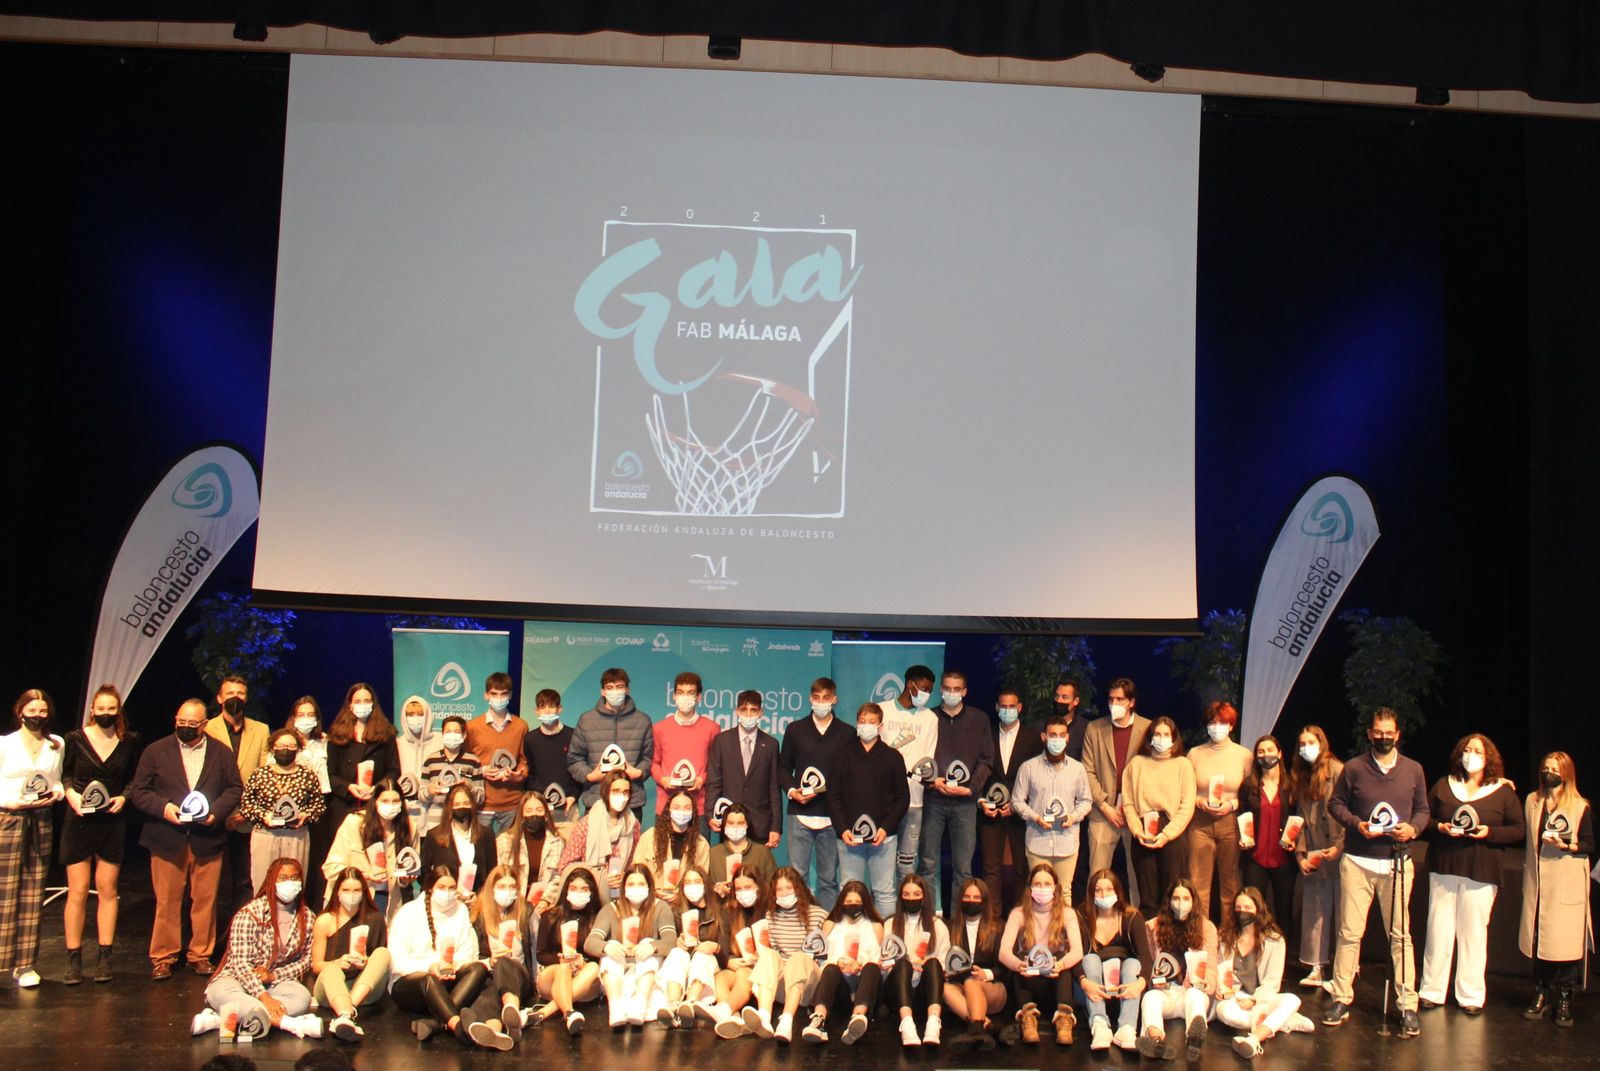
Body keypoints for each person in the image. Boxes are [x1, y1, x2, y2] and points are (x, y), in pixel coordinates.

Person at [1323, 707, 1429, 1036]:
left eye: (1389, 732)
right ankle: (1341, 997)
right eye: (1378, 732)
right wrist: (1357, 825)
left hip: (1397, 863)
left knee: (1400, 936)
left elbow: (1423, 810)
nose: (1383, 737)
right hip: (1357, 861)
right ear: (1369, 733)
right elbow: (1335, 804)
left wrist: (1412, 829)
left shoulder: (1414, 769)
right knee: (1349, 933)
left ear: (1398, 734)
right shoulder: (1354, 768)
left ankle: (1407, 1004)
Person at [128, 698, 245, 979]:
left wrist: (215, 813)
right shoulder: (156, 751)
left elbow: (234, 788)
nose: (187, 728)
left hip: (207, 838)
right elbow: (139, 791)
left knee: (205, 900)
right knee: (167, 901)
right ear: (175, 720)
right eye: (182, 723)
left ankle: (200, 955)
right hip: (167, 838)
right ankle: (164, 957)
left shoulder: (221, 753)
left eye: (193, 724)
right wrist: (164, 807)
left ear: (204, 724)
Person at [1419, 732, 1523, 1014]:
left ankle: (1470, 995)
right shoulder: (1444, 785)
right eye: (1467, 749)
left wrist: (1489, 832)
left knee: (1473, 934)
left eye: (1477, 751)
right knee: (1438, 930)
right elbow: (1422, 818)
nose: (1471, 755)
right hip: (1445, 867)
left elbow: (1518, 830)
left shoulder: (1502, 792)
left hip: (1481, 871)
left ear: (1488, 757)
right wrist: (1440, 827)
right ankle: (1432, 990)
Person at [191, 856, 323, 1041]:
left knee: (301, 998)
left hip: (277, 983)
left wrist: (274, 976)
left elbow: (306, 959)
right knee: (221, 993)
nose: (289, 883)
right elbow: (240, 963)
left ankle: (222, 1018)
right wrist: (263, 998)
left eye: (294, 878)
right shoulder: (250, 913)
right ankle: (289, 1024)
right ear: (272, 881)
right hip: (237, 980)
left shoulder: (307, 917)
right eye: (283, 878)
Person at [61, 684, 139, 984]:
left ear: (118, 710)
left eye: (112, 708)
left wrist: (124, 797)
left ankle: (105, 958)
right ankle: (73, 958)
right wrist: (72, 796)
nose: (106, 713)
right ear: (92, 709)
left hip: (111, 821)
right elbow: (65, 774)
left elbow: (134, 777)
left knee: (107, 890)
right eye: (101, 708)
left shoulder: (129, 740)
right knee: (78, 891)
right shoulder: (75, 739)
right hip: (79, 820)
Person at [1519, 750, 1593, 1029]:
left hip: (1566, 883)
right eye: (1545, 767)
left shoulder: (1579, 806)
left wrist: (1568, 846)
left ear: (1566, 773)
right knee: (1540, 940)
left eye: (1555, 768)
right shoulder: (1532, 802)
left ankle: (1563, 997)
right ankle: (1541, 992)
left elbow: (1588, 844)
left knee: (1565, 945)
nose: (1549, 772)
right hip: (1539, 884)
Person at [0, 689, 65, 987]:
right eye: (32, 710)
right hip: (9, 818)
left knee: (32, 889)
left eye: (43, 711)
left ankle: (25, 964)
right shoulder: (6, 744)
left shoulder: (56, 744)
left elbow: (58, 780)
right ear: (20, 711)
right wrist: (9, 803)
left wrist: (57, 793)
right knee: (5, 892)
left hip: (40, 820)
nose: (38, 716)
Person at [918, 670, 994, 911]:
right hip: (933, 799)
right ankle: (929, 921)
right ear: (941, 690)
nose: (951, 694)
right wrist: (931, 781)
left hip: (964, 803)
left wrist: (971, 789)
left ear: (964, 692)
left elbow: (986, 759)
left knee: (963, 868)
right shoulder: (928, 717)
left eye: (956, 689)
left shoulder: (979, 719)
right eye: (947, 689)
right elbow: (919, 758)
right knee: (928, 864)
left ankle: (960, 924)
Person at [387, 867, 489, 1042]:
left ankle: (438, 1023)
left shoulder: (461, 910)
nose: (447, 893)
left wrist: (454, 965)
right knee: (429, 979)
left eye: (451, 888)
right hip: (411, 984)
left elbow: (467, 951)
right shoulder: (408, 913)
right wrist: (430, 966)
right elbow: (397, 963)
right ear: (430, 888)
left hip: (447, 982)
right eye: (441, 887)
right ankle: (458, 1027)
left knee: (478, 968)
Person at [830, 702, 911, 918]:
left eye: (872, 722)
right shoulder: (841, 755)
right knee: (849, 890)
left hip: (883, 838)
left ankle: (886, 943)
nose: (866, 726)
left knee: (884, 892)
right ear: (857, 724)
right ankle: (848, 940)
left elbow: (902, 799)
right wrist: (842, 829)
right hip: (849, 838)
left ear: (880, 726)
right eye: (863, 722)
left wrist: (886, 828)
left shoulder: (893, 757)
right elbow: (833, 797)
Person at [1215, 887, 1313, 1059]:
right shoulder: (1225, 937)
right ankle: (1281, 1022)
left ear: (1258, 910)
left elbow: (1272, 983)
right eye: (1238, 908)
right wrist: (1225, 992)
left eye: (1247, 908)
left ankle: (1255, 1038)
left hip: (1261, 999)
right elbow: (1220, 972)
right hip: (1235, 1000)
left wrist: (1253, 1001)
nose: (1242, 912)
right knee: (1226, 1014)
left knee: (1292, 999)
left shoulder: (1275, 941)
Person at [779, 679, 850, 909]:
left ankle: (825, 930)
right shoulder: (795, 729)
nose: (821, 703)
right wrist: (792, 792)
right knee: (796, 878)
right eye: (817, 698)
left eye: (826, 698)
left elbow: (850, 774)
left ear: (834, 700)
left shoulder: (847, 733)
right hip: (799, 813)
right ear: (810, 699)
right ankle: (798, 926)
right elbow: (783, 768)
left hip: (832, 818)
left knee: (828, 880)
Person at [1081, 678, 1151, 905]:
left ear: (1131, 702)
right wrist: (1104, 806)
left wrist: (1129, 808)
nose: (1114, 704)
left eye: (1120, 699)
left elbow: (1152, 770)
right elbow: (1087, 771)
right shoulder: (1095, 728)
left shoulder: (1148, 728)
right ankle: (1092, 926)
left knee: (1138, 876)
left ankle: (1138, 926)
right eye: (1111, 699)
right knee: (1097, 876)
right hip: (1103, 812)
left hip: (1136, 814)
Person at [207, 676, 269, 928]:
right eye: (230, 693)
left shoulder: (261, 729)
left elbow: (264, 775)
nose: (236, 697)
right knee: (211, 883)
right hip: (211, 817)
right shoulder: (207, 728)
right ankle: (209, 943)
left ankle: (240, 934)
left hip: (246, 819)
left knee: (245, 881)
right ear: (220, 698)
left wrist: (248, 811)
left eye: (241, 693)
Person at [998, 862, 1083, 1046]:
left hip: (1055, 982)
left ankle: (1064, 1019)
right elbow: (1003, 952)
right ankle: (1027, 1017)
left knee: (1062, 958)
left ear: (1055, 888)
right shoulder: (1018, 913)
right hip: (1028, 981)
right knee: (1020, 956)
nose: (1042, 888)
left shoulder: (1067, 913)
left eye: (1046, 884)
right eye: (1037, 884)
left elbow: (1077, 951)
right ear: (1029, 888)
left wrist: (1059, 965)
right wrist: (1018, 965)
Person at [1011, 711, 1094, 895]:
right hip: (1038, 842)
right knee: (1039, 892)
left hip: (1067, 843)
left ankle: (1063, 925)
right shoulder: (1028, 767)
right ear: (1044, 737)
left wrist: (1073, 817)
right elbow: (1017, 801)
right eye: (1052, 735)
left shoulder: (1077, 769)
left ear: (1067, 738)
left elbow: (1086, 801)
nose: (1057, 739)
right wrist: (1035, 817)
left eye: (1061, 735)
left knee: (1064, 892)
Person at [1185, 701, 1253, 923]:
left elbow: (1250, 795)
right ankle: (1200, 936)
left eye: (1222, 722)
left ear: (1231, 726)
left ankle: (1229, 937)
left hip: (1231, 823)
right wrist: (1199, 802)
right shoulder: (1194, 754)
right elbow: (1185, 790)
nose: (1217, 727)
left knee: (1231, 884)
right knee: (1198, 884)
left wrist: (1231, 805)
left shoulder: (1244, 755)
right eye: (1212, 723)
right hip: (1200, 824)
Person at [742, 866, 827, 1042]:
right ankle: (764, 1017)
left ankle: (786, 1021)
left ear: (798, 888)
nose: (784, 893)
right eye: (779, 889)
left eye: (788, 888)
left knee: (798, 958)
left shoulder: (818, 915)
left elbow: (824, 957)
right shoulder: (771, 916)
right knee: (769, 955)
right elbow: (776, 954)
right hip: (784, 985)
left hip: (809, 983)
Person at [1137, 877, 1217, 1062]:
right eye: (1176, 898)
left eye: (1186, 898)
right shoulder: (1153, 927)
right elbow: (1148, 964)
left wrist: (1208, 982)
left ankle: (1194, 1040)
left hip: (1192, 991)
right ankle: (1155, 1039)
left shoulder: (1207, 928)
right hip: (1167, 993)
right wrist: (1154, 982)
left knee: (1195, 996)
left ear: (1194, 901)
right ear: (1169, 900)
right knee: (1150, 998)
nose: (1181, 903)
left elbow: (1212, 965)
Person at [588, 861, 676, 1028]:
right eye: (631, 884)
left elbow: (670, 940)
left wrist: (652, 947)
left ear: (649, 886)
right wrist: (607, 946)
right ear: (624, 887)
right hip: (618, 976)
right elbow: (590, 943)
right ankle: (615, 1008)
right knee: (611, 944)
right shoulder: (611, 909)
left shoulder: (660, 907)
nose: (636, 887)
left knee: (647, 942)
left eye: (641, 884)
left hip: (648, 976)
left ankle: (640, 1004)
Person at [459, 864, 538, 1050]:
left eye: (512, 887)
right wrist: (489, 961)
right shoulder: (478, 915)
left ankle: (511, 1008)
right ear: (491, 889)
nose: (508, 892)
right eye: (502, 887)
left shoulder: (527, 911)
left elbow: (534, 951)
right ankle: (494, 1032)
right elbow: (472, 956)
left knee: (504, 963)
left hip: (519, 979)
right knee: (489, 985)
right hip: (492, 975)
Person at [237, 727, 325, 891]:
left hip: (296, 836)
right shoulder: (260, 774)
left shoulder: (308, 775)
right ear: (272, 748)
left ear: (298, 750)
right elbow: (246, 804)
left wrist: (306, 815)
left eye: (291, 747)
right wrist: (264, 815)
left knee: (292, 886)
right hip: (265, 836)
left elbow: (318, 805)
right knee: (263, 885)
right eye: (281, 746)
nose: (285, 750)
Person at [1074, 868, 1151, 1052]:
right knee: (1090, 959)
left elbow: (1145, 957)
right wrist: (1085, 983)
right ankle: (1099, 1025)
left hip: (1125, 992)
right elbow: (1075, 958)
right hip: (1092, 991)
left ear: (1118, 891)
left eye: (1109, 889)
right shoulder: (1082, 916)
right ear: (1091, 893)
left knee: (1133, 963)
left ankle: (1126, 1028)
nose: (1103, 894)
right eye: (1098, 890)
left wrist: (1139, 984)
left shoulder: (1132, 916)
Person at [1289, 724, 1343, 988]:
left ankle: (1345, 969)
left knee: (1343, 913)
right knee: (1315, 910)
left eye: (1310, 742)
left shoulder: (1339, 771)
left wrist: (1341, 846)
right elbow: (1298, 818)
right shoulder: (1302, 775)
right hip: (1313, 851)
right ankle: (1316, 967)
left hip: (1339, 852)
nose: (1305, 748)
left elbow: (1348, 814)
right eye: (1301, 743)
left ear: (1322, 743)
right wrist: (1299, 855)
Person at [311, 867, 392, 1041]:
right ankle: (345, 1015)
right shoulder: (325, 920)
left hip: (362, 992)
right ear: (337, 891)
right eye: (346, 890)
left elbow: (379, 964)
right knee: (331, 970)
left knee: (383, 953)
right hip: (330, 992)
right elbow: (316, 966)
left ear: (363, 892)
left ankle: (349, 1009)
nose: (351, 895)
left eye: (356, 890)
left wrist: (365, 961)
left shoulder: (375, 918)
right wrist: (337, 962)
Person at [1122, 717, 1194, 910]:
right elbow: (1128, 804)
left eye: (1166, 735)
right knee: (1147, 896)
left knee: (1172, 893)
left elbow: (1187, 806)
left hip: (1172, 831)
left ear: (1173, 739)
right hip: (1143, 830)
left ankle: (1170, 937)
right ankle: (1147, 938)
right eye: (1157, 734)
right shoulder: (1136, 764)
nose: (1161, 739)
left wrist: (1167, 834)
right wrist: (1138, 831)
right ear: (1150, 737)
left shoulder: (1183, 765)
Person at [800, 879, 884, 1044]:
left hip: (865, 984)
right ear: (841, 902)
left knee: (872, 967)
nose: (853, 906)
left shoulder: (875, 926)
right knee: (830, 968)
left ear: (865, 903)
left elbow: (878, 958)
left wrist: (860, 963)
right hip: (840, 987)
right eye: (849, 901)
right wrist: (839, 962)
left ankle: (858, 1017)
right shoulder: (831, 924)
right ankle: (818, 1020)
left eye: (858, 902)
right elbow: (823, 958)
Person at [322, 778, 420, 919]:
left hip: (389, 901)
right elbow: (330, 868)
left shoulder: (410, 827)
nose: (391, 806)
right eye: (385, 801)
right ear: (375, 802)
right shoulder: (354, 823)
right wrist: (365, 875)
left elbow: (412, 866)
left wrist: (406, 879)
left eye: (396, 801)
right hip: (352, 898)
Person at [979, 686, 1041, 909]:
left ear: (1020, 708)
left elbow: (1037, 777)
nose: (1007, 710)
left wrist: (1017, 805)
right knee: (990, 869)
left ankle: (1020, 917)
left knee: (1021, 869)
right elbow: (980, 770)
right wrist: (982, 800)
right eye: (1003, 706)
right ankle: (992, 921)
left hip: (1020, 813)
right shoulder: (986, 734)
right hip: (990, 811)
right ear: (996, 708)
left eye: (1011, 706)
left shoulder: (1033, 738)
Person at [878, 666, 939, 879]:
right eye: (923, 688)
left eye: (930, 691)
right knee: (882, 863)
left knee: (906, 864)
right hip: (883, 801)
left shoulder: (930, 718)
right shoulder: (882, 710)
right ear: (909, 685)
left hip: (914, 801)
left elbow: (927, 761)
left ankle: (905, 909)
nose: (926, 694)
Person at [568, 668, 652, 815]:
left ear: (627, 690)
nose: (615, 692)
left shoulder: (643, 721)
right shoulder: (587, 720)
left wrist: (638, 772)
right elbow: (574, 759)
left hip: (631, 801)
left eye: (619, 687)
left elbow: (649, 758)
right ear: (603, 691)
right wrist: (590, 775)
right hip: (596, 800)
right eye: (610, 688)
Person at [879, 873, 951, 1047]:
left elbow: (944, 964)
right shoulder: (890, 924)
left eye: (916, 894)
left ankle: (933, 1023)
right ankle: (907, 1025)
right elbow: (884, 962)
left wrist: (924, 966)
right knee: (903, 964)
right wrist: (907, 965)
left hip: (924, 990)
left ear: (924, 897)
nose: (911, 898)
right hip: (897, 989)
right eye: (906, 894)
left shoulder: (937, 925)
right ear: (901, 898)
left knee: (933, 963)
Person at [532, 864, 605, 1034]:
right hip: (554, 976)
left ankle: (544, 1013)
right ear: (566, 890)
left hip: (584, 981)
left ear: (592, 892)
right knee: (563, 969)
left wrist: (582, 963)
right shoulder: (550, 916)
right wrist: (561, 960)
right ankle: (568, 1012)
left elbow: (602, 954)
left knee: (594, 968)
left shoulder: (599, 917)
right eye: (573, 888)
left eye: (584, 889)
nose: (578, 893)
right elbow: (541, 954)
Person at [704, 689, 782, 845]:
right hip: (729, 822)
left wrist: (776, 827)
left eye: (753, 710)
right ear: (737, 712)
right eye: (744, 710)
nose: (748, 715)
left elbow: (774, 789)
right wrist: (710, 814)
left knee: (758, 870)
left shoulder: (771, 744)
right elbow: (714, 782)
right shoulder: (722, 741)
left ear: (761, 712)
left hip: (760, 824)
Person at [1237, 734, 1297, 933]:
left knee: (1284, 911)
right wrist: (1243, 839)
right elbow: (1242, 816)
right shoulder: (1248, 786)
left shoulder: (1292, 786)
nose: (1266, 755)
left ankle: (1283, 958)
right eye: (1261, 751)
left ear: (1279, 753)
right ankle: (1253, 952)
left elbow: (1298, 818)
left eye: (1270, 750)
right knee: (1252, 911)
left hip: (1284, 858)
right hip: (1256, 858)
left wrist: (1295, 841)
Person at [655, 865, 725, 1027]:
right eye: (687, 883)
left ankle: (691, 1005)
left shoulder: (719, 910)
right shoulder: (676, 911)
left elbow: (725, 954)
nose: (692, 887)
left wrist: (714, 947)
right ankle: (673, 1005)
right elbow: (667, 942)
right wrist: (677, 942)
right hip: (685, 966)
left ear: (705, 884)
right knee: (677, 954)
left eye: (696, 882)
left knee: (702, 955)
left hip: (709, 966)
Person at [325, 683, 400, 835]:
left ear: (373, 704)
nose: (362, 705)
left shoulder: (386, 734)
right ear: (350, 705)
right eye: (358, 701)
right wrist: (348, 787)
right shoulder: (336, 735)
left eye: (366, 701)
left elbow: (393, 770)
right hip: (342, 804)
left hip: (374, 803)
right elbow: (329, 774)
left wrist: (376, 788)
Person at [941, 876, 1006, 1049]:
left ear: (984, 901)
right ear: (960, 899)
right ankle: (986, 1027)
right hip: (960, 985)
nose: (971, 901)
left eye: (976, 898)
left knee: (972, 981)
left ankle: (976, 1029)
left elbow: (1005, 968)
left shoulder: (998, 927)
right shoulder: (950, 926)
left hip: (993, 988)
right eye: (967, 897)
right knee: (946, 989)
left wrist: (986, 974)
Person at [556, 769, 641, 894]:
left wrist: (626, 877)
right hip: (590, 892)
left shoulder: (633, 825)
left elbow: (634, 863)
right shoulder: (587, 824)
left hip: (620, 892)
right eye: (615, 791)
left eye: (625, 792)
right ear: (606, 791)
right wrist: (598, 878)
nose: (621, 796)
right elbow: (565, 867)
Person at [651, 671, 720, 824]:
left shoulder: (712, 728)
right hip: (666, 806)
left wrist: (702, 779)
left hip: (698, 807)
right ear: (674, 696)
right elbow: (654, 763)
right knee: (664, 849)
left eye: (690, 693)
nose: (685, 697)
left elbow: (715, 766)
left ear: (698, 697)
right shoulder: (660, 728)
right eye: (680, 693)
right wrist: (663, 779)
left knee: (699, 849)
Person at [465, 672, 528, 837]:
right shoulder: (473, 727)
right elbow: (464, 765)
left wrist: (517, 775)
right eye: (494, 694)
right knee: (481, 856)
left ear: (510, 695)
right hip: (482, 804)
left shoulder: (520, 726)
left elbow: (524, 762)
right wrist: (482, 771)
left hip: (512, 804)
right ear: (486, 695)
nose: (499, 698)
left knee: (509, 855)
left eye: (503, 694)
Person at [288, 697, 334, 907]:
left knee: (318, 861)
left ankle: (314, 910)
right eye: (301, 715)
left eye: (310, 715)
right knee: (295, 862)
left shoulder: (325, 742)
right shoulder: (285, 743)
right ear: (293, 718)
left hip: (322, 808)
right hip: (294, 810)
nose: (305, 719)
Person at [419, 784, 497, 904]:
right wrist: (443, 892)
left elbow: (492, 873)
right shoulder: (434, 835)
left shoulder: (486, 834)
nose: (462, 807)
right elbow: (424, 873)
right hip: (445, 901)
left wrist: (479, 897)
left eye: (466, 803)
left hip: (477, 902)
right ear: (448, 807)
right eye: (456, 804)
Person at [711, 869, 767, 1036]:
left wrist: (756, 959)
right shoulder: (729, 910)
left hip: (761, 968)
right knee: (720, 977)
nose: (743, 893)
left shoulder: (768, 909)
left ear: (758, 886)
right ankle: (734, 1019)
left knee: (743, 974)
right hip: (737, 964)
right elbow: (722, 946)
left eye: (748, 887)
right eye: (739, 889)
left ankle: (724, 1012)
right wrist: (728, 962)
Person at [633, 789, 709, 898]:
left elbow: (702, 882)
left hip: (685, 904)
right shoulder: (648, 837)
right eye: (676, 807)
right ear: (669, 810)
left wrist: (681, 896)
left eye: (687, 808)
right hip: (652, 902)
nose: (681, 811)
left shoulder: (702, 844)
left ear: (693, 812)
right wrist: (653, 891)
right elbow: (637, 872)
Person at [417, 715, 485, 833]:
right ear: (442, 735)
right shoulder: (430, 760)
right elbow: (421, 796)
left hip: (464, 822)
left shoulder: (473, 761)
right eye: (448, 731)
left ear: (463, 736)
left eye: (456, 732)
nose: (452, 735)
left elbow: (480, 798)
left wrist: (470, 789)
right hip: (435, 822)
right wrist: (429, 790)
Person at [523, 688, 581, 823]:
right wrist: (536, 799)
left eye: (552, 706)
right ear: (536, 711)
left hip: (568, 805)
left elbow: (579, 769)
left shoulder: (573, 736)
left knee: (571, 844)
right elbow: (529, 774)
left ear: (559, 709)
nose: (547, 711)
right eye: (543, 707)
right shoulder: (530, 739)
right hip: (539, 806)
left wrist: (573, 796)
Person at [495, 790, 566, 894]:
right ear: (522, 814)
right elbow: (500, 874)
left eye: (539, 810)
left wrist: (545, 900)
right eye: (529, 811)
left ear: (546, 813)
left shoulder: (557, 841)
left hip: (543, 898)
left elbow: (557, 877)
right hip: (513, 896)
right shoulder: (506, 840)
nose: (534, 814)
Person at [708, 802, 777, 898]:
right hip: (722, 909)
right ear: (724, 825)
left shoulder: (762, 853)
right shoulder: (713, 853)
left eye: (740, 823)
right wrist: (716, 889)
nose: (735, 827)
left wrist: (756, 889)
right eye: (730, 823)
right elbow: (705, 887)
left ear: (747, 825)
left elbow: (773, 886)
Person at [394, 694, 436, 831]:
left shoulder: (440, 742)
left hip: (434, 813)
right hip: (404, 813)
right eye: (410, 714)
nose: (415, 718)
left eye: (420, 714)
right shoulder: (397, 744)